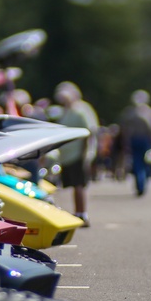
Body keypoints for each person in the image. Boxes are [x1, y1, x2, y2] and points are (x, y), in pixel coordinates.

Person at [54, 81, 98, 226]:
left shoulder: (79, 112)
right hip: (68, 155)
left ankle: (82, 213)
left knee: (79, 184)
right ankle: (78, 212)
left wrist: (85, 154)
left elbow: (88, 132)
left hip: (77, 154)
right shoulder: (67, 112)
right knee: (75, 185)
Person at [119, 89, 151, 196]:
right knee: (145, 163)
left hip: (135, 140)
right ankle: (142, 183)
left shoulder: (129, 112)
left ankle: (140, 184)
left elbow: (124, 129)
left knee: (137, 162)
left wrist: (125, 141)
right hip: (146, 140)